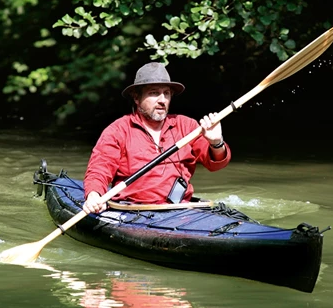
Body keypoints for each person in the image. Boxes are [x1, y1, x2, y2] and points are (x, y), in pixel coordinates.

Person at [82, 62, 231, 214]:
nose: (162, 100)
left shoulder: (187, 126)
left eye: (166, 93)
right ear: (136, 97)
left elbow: (216, 165)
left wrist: (216, 143)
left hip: (180, 210)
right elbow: (99, 170)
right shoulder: (117, 130)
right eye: (154, 93)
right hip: (133, 211)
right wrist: (94, 195)